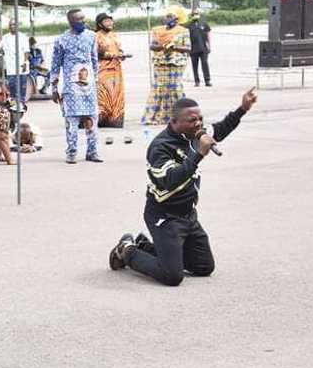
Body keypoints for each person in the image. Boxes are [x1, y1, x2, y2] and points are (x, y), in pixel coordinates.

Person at [110, 89, 258, 286]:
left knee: (204, 267)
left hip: (188, 214)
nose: (198, 123)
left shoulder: (196, 135)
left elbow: (221, 129)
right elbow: (170, 179)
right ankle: (126, 250)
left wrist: (243, 108)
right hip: (165, 216)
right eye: (192, 120)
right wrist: (198, 156)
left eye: (200, 118)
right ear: (174, 122)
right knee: (172, 276)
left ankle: (144, 245)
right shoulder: (160, 147)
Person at [50, 9, 102, 164]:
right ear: (70, 21)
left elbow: (94, 59)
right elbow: (55, 65)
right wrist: (54, 88)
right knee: (71, 121)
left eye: (84, 19)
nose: (83, 22)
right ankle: (71, 152)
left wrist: (96, 80)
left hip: (89, 86)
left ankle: (92, 152)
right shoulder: (62, 40)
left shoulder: (91, 36)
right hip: (71, 87)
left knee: (91, 119)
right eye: (79, 20)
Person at [141, 8, 191, 125]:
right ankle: (154, 117)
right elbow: (152, 46)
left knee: (175, 88)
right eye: (166, 16)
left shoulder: (183, 31)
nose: (167, 18)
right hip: (160, 62)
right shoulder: (157, 30)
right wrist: (164, 46)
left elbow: (188, 48)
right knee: (159, 88)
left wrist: (174, 47)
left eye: (170, 16)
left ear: (177, 18)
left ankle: (180, 117)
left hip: (176, 63)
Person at [95, 12, 132, 143]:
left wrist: (121, 54)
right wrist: (112, 55)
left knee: (116, 94)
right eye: (106, 21)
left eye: (111, 21)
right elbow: (96, 52)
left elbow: (119, 48)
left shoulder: (115, 35)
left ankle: (114, 119)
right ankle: (101, 119)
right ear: (100, 24)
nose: (109, 23)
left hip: (117, 69)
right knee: (104, 94)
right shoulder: (96, 36)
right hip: (103, 69)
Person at [1, 20, 28, 102]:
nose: (12, 26)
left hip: (21, 66)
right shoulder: (5, 37)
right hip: (10, 68)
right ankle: (14, 107)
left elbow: (26, 51)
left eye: (14, 24)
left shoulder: (23, 37)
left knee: (21, 90)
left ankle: (21, 106)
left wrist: (25, 62)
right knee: (12, 88)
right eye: (10, 25)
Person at [187, 8, 212, 87]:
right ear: (191, 16)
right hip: (193, 49)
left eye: (196, 14)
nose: (195, 15)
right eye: (193, 14)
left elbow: (208, 33)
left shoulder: (203, 23)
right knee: (195, 66)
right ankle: (197, 81)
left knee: (205, 64)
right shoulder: (189, 25)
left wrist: (209, 45)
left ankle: (207, 80)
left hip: (203, 48)